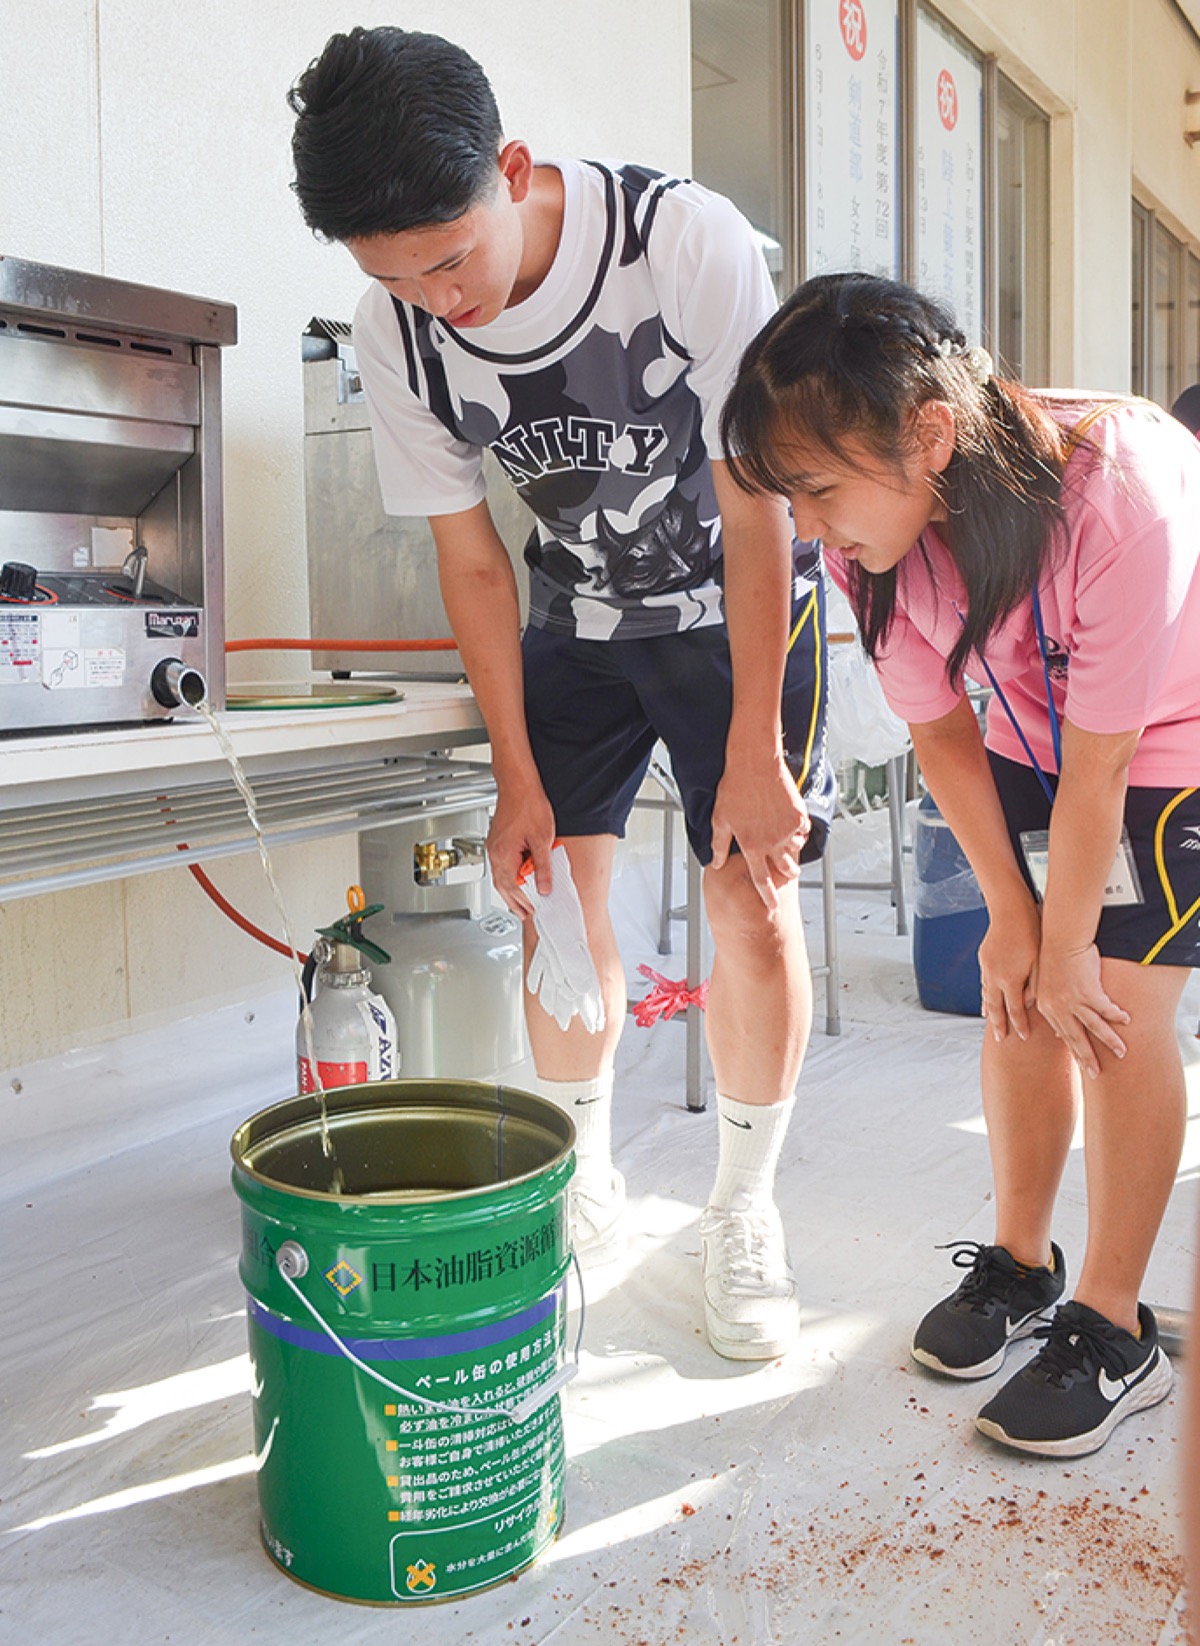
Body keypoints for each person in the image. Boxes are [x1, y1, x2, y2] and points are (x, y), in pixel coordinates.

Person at [286, 28, 835, 1360]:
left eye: (450, 259)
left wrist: (755, 746)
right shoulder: (398, 332)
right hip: (576, 617)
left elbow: (757, 505)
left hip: (732, 606)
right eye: (393, 276)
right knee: (554, 901)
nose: (436, 299)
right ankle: (584, 1173)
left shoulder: (677, 242)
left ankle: (744, 1210)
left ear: (514, 170)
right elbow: (472, 558)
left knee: (746, 898)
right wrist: (517, 779)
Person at [720, 270, 1200, 1455]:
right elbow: (940, 732)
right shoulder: (870, 547)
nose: (809, 530)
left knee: (1109, 1000)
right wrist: (1012, 917)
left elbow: (1107, 762)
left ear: (930, 432)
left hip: (1168, 733)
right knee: (1017, 987)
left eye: (819, 490)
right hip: (1033, 729)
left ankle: (1114, 1323)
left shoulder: (1121, 488)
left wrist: (1069, 941)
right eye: (793, 499)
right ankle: (1024, 1263)